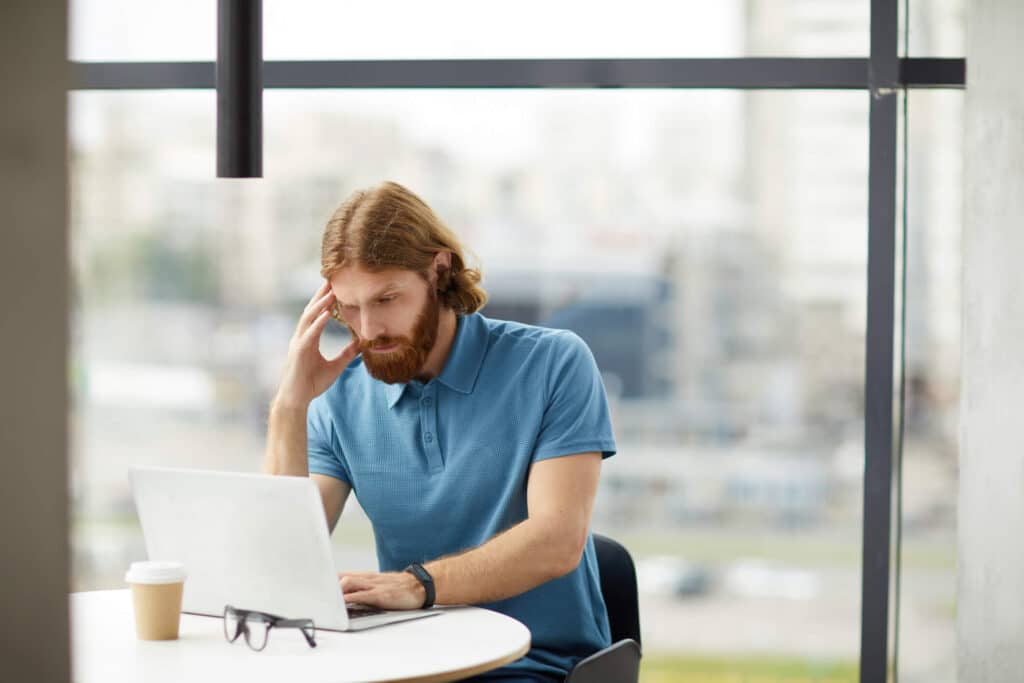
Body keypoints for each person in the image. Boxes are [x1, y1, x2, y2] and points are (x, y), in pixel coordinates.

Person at [263, 181, 617, 681]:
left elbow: (557, 540)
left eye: (387, 299)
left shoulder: (554, 363)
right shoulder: (337, 398)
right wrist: (289, 405)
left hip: (534, 666)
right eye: (350, 308)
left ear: (440, 270)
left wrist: (418, 585)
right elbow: (279, 562)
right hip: (410, 664)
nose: (369, 330)